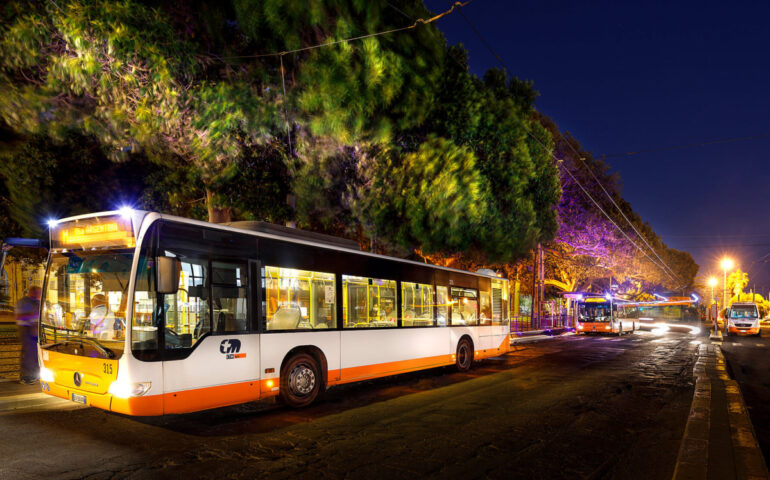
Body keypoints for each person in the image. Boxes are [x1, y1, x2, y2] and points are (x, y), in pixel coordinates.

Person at [15, 286, 41, 385]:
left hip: (36, 329)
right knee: (28, 353)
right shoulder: (24, 302)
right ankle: (25, 377)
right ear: (32, 292)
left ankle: (34, 375)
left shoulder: (37, 302)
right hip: (26, 329)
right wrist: (34, 315)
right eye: (38, 293)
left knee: (35, 353)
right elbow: (20, 316)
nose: (39, 295)